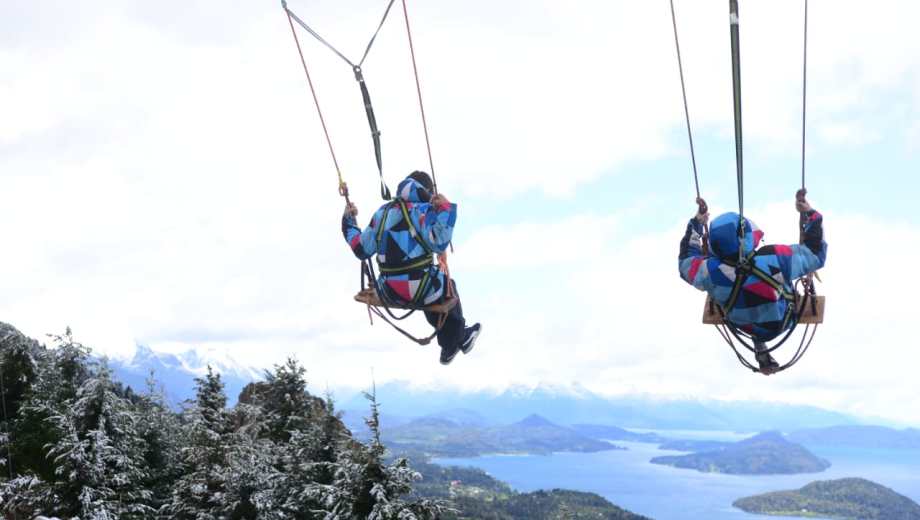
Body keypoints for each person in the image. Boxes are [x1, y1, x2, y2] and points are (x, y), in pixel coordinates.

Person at [678, 190, 827, 375]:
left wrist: (696, 224)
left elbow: (685, 263)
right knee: (778, 287)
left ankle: (758, 338)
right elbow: (815, 254)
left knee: (734, 297)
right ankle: (762, 329)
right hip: (782, 321)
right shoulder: (775, 258)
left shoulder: (710, 270)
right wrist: (809, 213)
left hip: (743, 324)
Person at [342, 171, 482, 365]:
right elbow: (439, 242)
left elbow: (361, 249)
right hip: (420, 289)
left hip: (388, 291)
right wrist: (444, 209)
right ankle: (455, 341)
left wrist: (349, 221)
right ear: (427, 190)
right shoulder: (422, 210)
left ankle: (455, 342)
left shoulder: (382, 213)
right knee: (445, 287)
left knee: (425, 286)